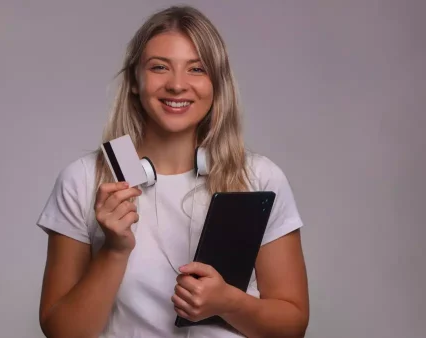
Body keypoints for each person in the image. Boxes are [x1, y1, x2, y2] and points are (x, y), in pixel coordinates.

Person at [35, 5, 309, 338]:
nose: (177, 85)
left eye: (197, 69)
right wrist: (115, 250)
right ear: (135, 80)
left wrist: (229, 303)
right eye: (159, 67)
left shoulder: (258, 178)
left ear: (217, 83)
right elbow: (63, 333)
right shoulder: (82, 181)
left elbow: (292, 326)